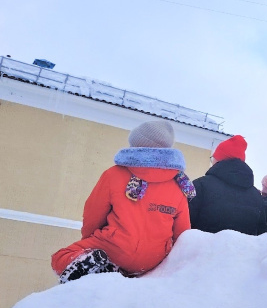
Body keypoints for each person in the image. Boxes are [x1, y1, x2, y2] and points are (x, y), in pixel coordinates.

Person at [51, 120, 195, 283]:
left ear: (137, 144)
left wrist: (89, 243)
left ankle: (94, 265)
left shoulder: (114, 174)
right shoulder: (179, 184)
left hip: (114, 249)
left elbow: (93, 214)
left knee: (60, 257)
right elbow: (182, 233)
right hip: (153, 259)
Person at [189, 135, 265, 235]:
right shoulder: (256, 196)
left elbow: (185, 223)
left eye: (213, 158)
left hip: (202, 249)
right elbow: (261, 232)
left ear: (218, 160)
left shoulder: (201, 185)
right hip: (240, 250)